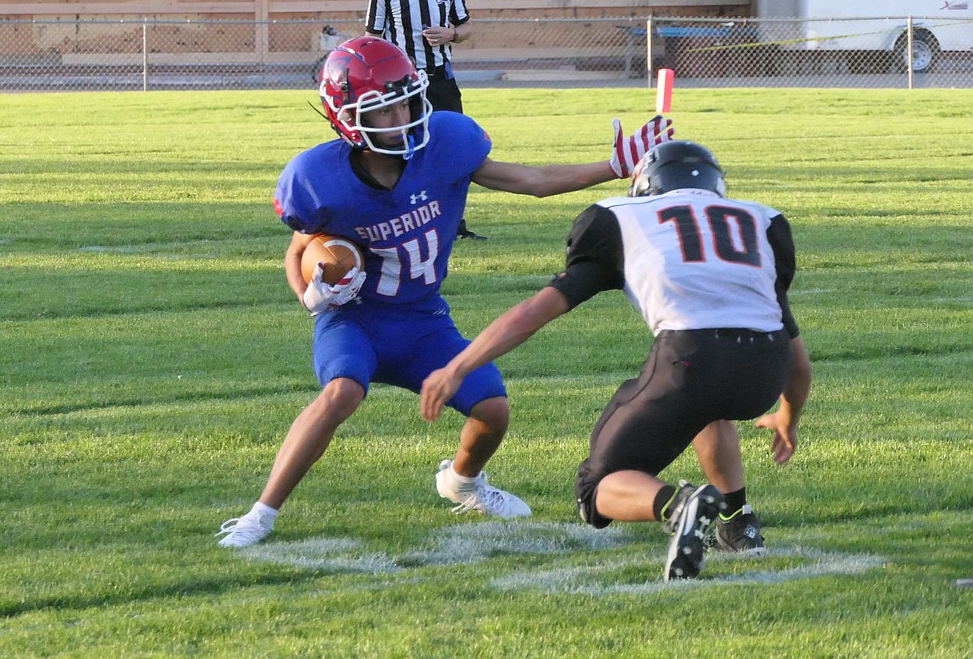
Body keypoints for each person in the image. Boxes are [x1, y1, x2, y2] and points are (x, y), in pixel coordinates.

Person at [216, 35, 674, 548]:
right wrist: (309, 294)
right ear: (345, 117)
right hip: (357, 318)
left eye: (406, 103)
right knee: (342, 391)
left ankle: (463, 483)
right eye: (385, 112)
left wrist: (612, 167)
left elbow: (532, 179)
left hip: (424, 319)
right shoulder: (316, 178)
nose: (402, 118)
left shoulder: (446, 143)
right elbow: (298, 249)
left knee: (493, 409)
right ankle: (261, 513)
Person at [420, 141, 812, 580]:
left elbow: (533, 313)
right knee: (708, 408)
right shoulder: (761, 220)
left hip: (692, 358)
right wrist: (787, 417)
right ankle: (737, 523)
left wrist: (457, 367)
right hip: (767, 364)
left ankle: (680, 505)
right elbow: (796, 357)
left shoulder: (621, 218)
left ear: (645, 184)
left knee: (597, 487)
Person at [365, 0, 483, 240]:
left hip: (441, 80)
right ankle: (404, 222)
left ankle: (455, 225)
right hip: (404, 88)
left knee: (454, 149)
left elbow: (467, 26)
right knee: (405, 154)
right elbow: (371, 38)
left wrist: (451, 34)